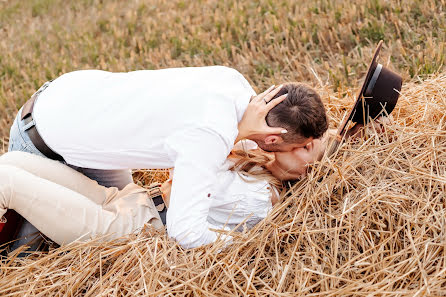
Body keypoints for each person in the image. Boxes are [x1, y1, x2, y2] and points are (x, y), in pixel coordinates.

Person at [8, 66, 328, 248]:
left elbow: (186, 229)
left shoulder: (233, 83)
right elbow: (200, 158)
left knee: (6, 178)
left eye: (308, 149)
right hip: (53, 144)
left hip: (129, 221)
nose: (306, 146)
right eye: (303, 144)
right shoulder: (230, 145)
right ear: (274, 138)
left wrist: (245, 244)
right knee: (9, 170)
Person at [0, 132, 328, 247]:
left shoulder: (259, 198)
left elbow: (189, 169)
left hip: (128, 229)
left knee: (6, 183)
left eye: (306, 148)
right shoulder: (258, 161)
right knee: (12, 161)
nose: (297, 143)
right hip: (128, 199)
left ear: (306, 172)